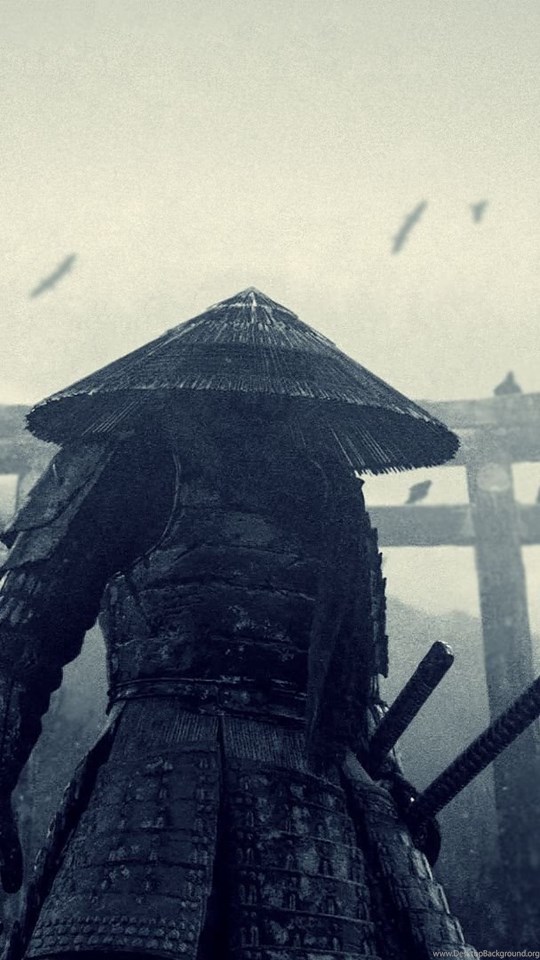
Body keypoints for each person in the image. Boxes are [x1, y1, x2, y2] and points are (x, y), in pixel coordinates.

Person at [0, 289, 475, 960]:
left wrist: (384, 777)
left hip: (321, 783)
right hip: (163, 772)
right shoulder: (130, 458)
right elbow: (23, 632)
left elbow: (349, 673)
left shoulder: (329, 485)